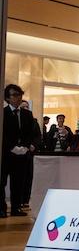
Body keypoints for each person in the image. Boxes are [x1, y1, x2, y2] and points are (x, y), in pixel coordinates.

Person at [1, 84, 39, 217]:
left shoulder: (27, 114)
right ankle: (2, 208)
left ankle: (16, 208)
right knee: (2, 181)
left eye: (20, 95)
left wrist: (26, 146)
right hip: (6, 154)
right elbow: (3, 134)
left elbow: (31, 133)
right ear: (7, 98)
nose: (18, 98)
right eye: (15, 95)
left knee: (18, 182)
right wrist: (12, 147)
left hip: (23, 153)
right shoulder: (3, 113)